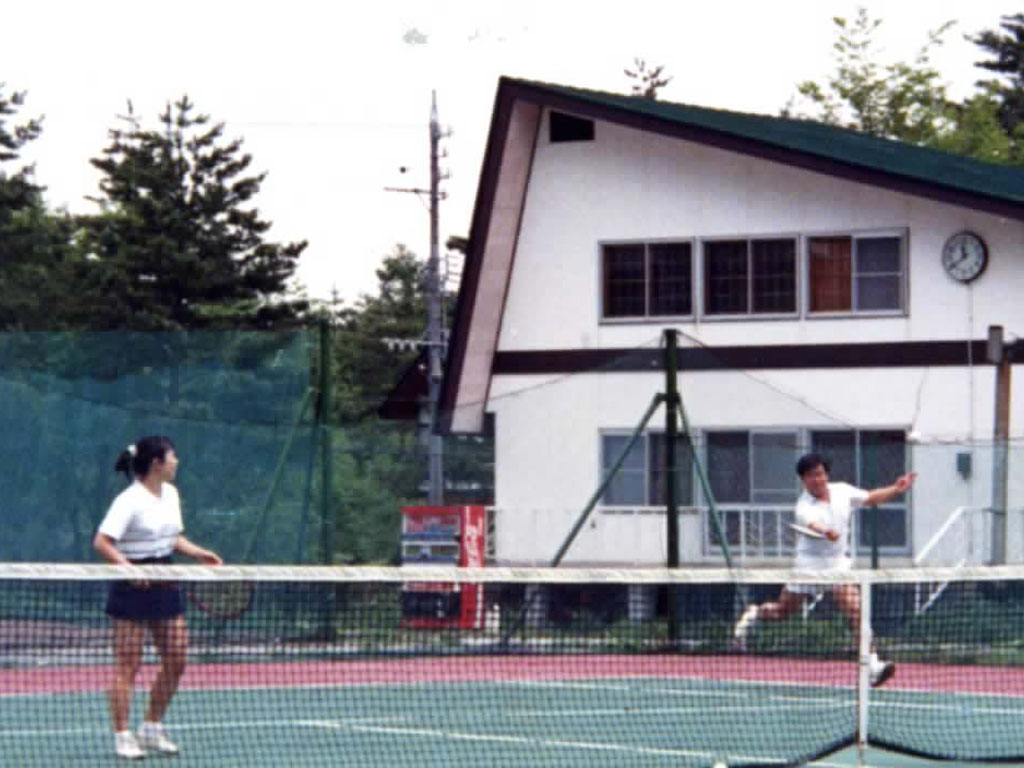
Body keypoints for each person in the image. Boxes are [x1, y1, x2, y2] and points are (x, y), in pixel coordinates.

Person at [731, 452, 916, 688]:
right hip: (808, 566)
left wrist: (896, 489)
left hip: (837, 565)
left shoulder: (842, 491)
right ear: (803, 480)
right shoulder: (803, 506)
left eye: (819, 474)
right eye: (810, 476)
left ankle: (872, 665)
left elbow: (870, 498)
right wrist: (826, 532)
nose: (816, 479)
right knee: (783, 611)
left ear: (826, 474)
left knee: (855, 610)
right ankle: (755, 614)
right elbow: (812, 524)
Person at [93, 436, 222, 760]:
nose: (177, 462)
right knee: (128, 664)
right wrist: (128, 568)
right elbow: (102, 542)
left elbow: (173, 538)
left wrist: (199, 553)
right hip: (132, 586)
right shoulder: (129, 500)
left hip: (164, 578)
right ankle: (123, 735)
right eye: (172, 457)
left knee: (177, 658)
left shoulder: (171, 494)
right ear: (156, 463)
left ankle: (151, 727)